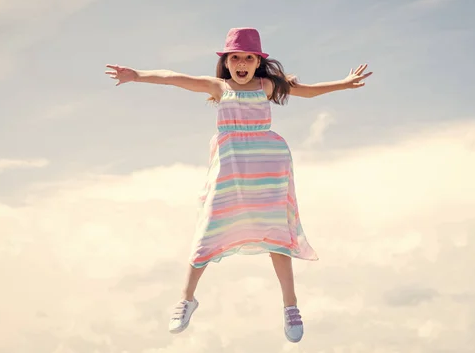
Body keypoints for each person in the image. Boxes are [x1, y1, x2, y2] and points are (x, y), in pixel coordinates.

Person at [105, 27, 372, 343]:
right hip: (230, 172)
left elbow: (309, 91)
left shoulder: (267, 86)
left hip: (267, 172)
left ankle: (291, 307)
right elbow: (172, 77)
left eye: (248, 57)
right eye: (236, 58)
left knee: (276, 237)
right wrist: (137, 75)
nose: (242, 63)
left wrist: (343, 84)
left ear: (257, 61)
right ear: (226, 61)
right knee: (208, 230)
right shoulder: (218, 87)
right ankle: (186, 299)